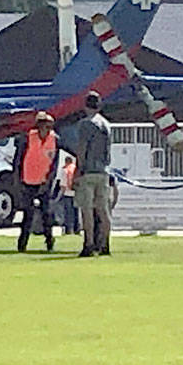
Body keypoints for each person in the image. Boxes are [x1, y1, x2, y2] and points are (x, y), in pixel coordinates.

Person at [74, 90, 113, 257]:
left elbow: (82, 148)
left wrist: (78, 168)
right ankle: (105, 243)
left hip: (88, 171)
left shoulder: (85, 124)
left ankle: (88, 243)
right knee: (103, 210)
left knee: (87, 209)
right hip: (103, 170)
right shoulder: (106, 124)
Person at [13, 110, 59, 253]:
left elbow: (54, 164)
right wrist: (18, 180)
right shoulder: (27, 138)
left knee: (47, 214)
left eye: (48, 125)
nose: (46, 128)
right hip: (28, 181)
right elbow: (18, 161)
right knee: (28, 214)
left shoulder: (55, 139)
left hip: (44, 182)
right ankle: (22, 244)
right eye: (43, 125)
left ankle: (49, 242)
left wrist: (49, 181)